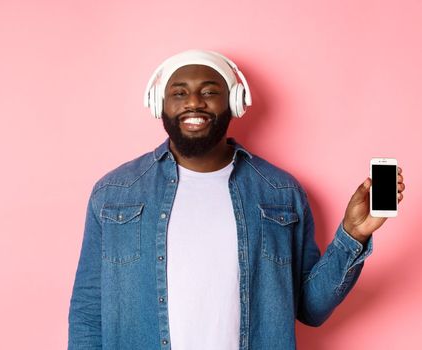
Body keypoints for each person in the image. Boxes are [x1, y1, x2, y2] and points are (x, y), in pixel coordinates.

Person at [67, 49, 406, 350]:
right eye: (179, 92)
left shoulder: (280, 192)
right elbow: (87, 311)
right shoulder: (115, 193)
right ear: (159, 103)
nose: (194, 102)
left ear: (235, 101)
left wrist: (353, 235)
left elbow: (311, 310)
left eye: (210, 92)